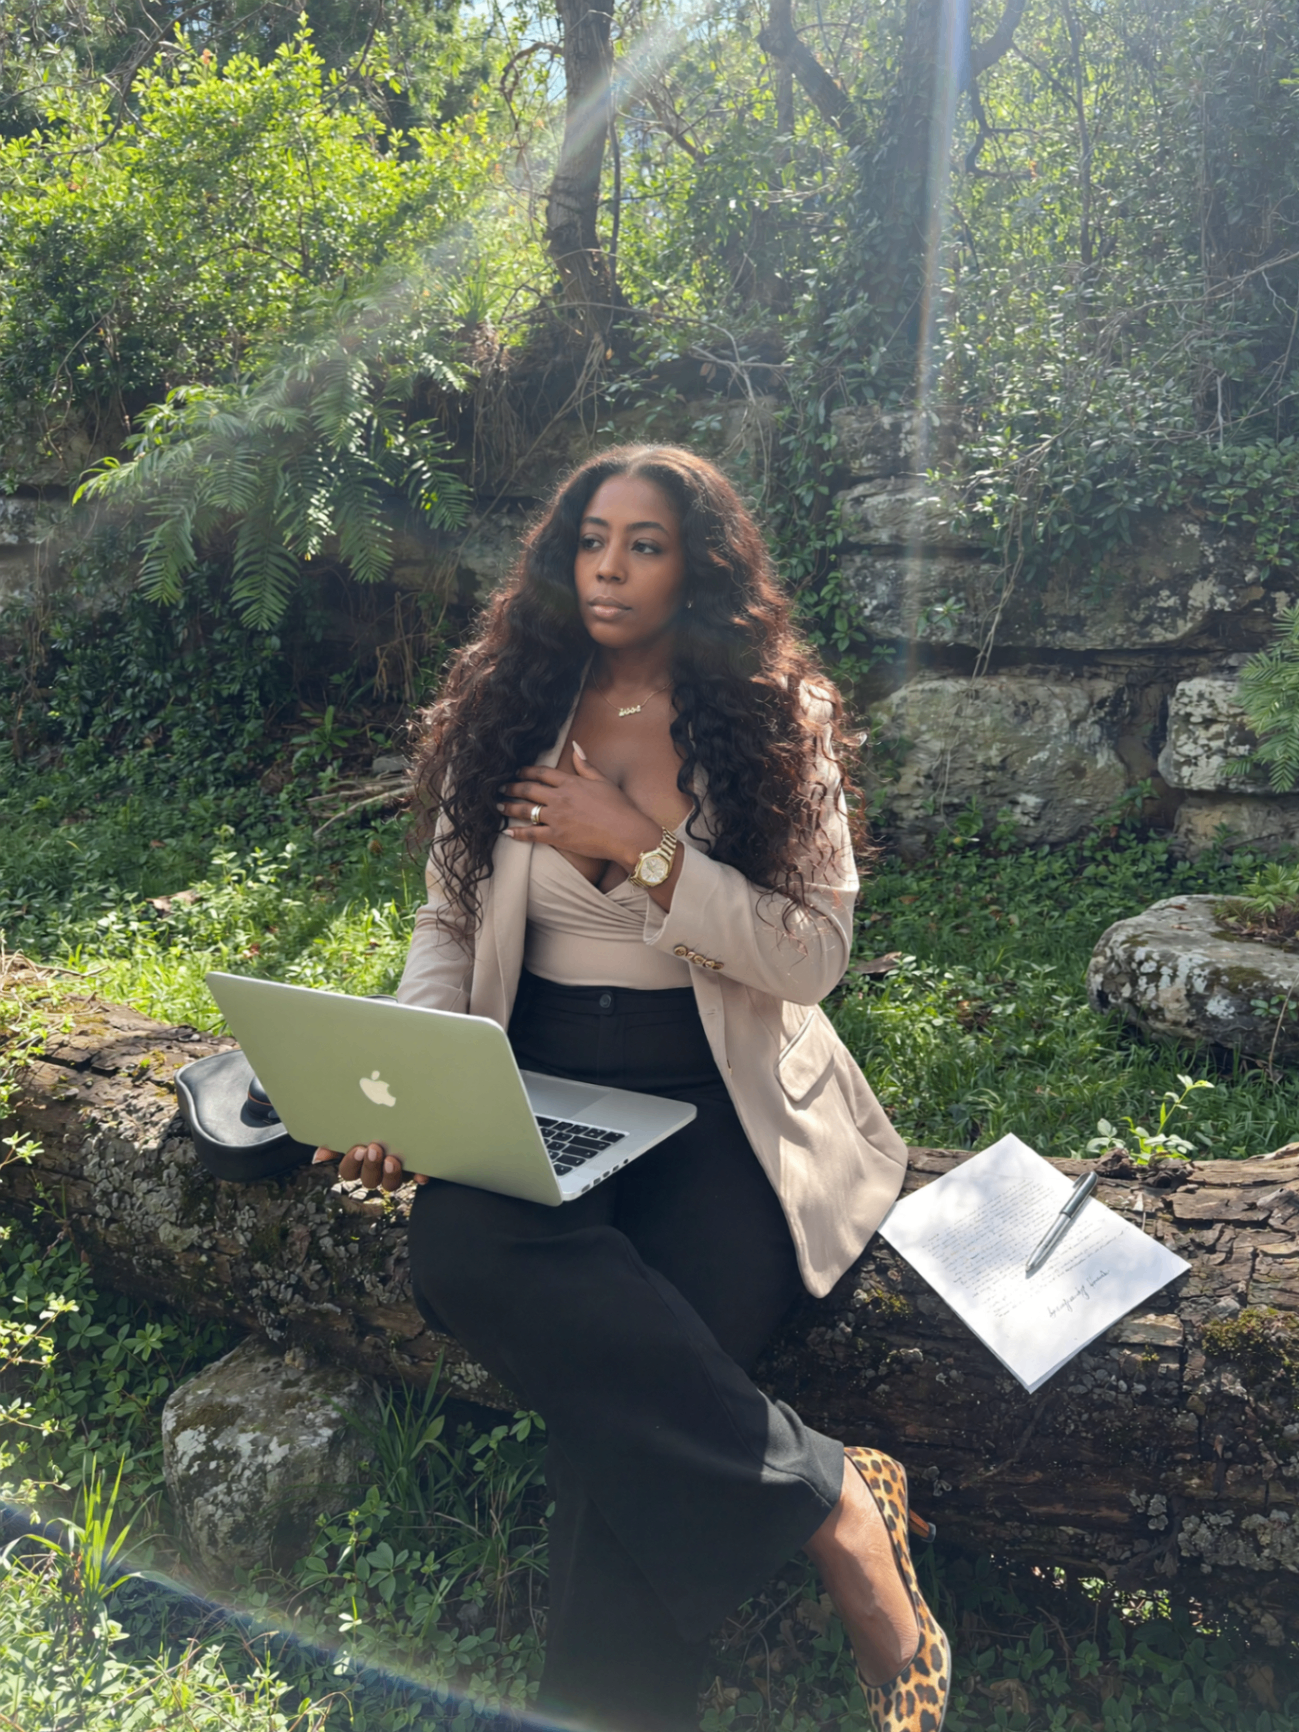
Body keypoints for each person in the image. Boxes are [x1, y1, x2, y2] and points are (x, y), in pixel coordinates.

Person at [313, 445, 951, 1732]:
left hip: (722, 1096)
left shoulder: (778, 715)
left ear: (698, 565)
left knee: (645, 1417)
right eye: (591, 538)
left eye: (644, 543)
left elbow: (811, 956)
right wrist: (419, 1074)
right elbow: (449, 922)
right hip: (536, 1070)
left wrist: (643, 852)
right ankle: (830, 1499)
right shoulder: (509, 697)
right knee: (462, 1247)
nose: (609, 566)